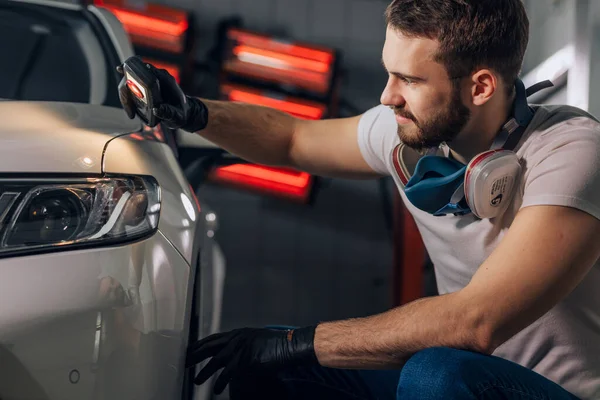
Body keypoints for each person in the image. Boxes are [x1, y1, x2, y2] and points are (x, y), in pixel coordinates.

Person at [117, 0, 600, 398]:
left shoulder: (570, 151)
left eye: (409, 80)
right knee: (271, 371)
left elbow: (476, 321)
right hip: (462, 374)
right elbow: (293, 139)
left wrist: (296, 341)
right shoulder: (409, 131)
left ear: (480, 87)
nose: (388, 96)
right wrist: (196, 113)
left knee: (435, 375)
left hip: (556, 391)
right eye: (391, 74)